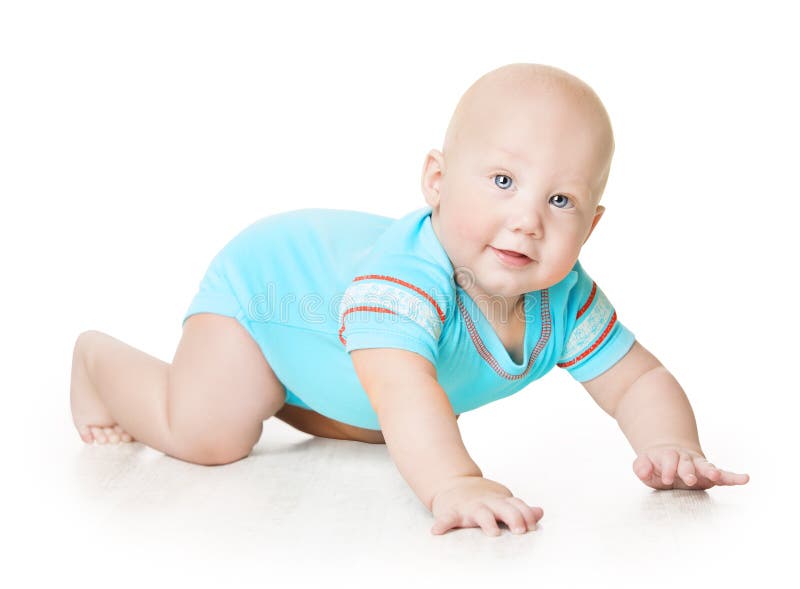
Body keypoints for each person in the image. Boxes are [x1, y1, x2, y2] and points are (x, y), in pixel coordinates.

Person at [69, 62, 749, 537]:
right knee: (211, 435)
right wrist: (454, 480)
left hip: (335, 354)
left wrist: (672, 443)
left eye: (560, 199)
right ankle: (99, 365)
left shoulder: (564, 299)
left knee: (384, 426)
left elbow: (638, 379)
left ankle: (292, 396)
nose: (527, 219)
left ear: (591, 226)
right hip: (267, 301)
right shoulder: (407, 279)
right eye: (503, 179)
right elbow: (403, 393)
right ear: (437, 180)